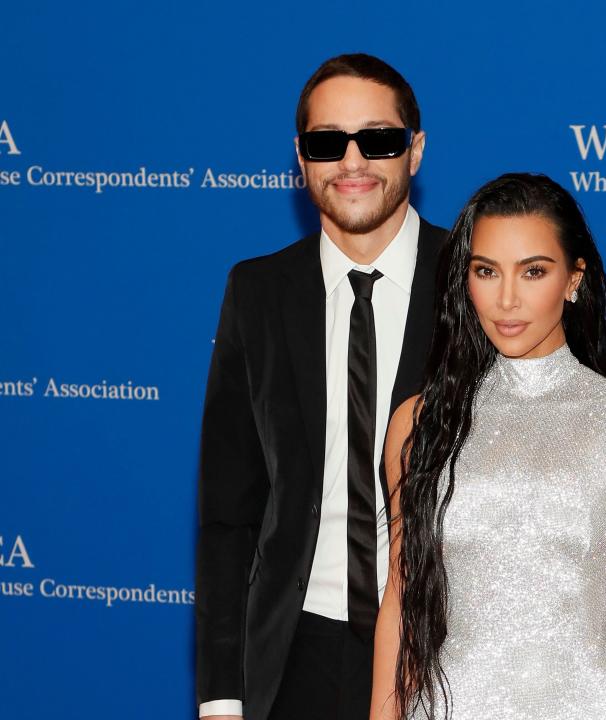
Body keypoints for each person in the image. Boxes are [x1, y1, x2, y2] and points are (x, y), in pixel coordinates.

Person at [370, 174, 606, 720]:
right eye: (486, 272)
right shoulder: (420, 423)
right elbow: (402, 600)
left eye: (533, 271)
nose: (507, 299)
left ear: (573, 279)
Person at [195, 53, 446, 720]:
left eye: (380, 138)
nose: (354, 160)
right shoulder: (257, 292)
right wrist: (221, 694)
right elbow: (229, 512)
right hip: (296, 650)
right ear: (301, 160)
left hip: (450, 649)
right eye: (328, 142)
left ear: (415, 151)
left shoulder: (474, 284)